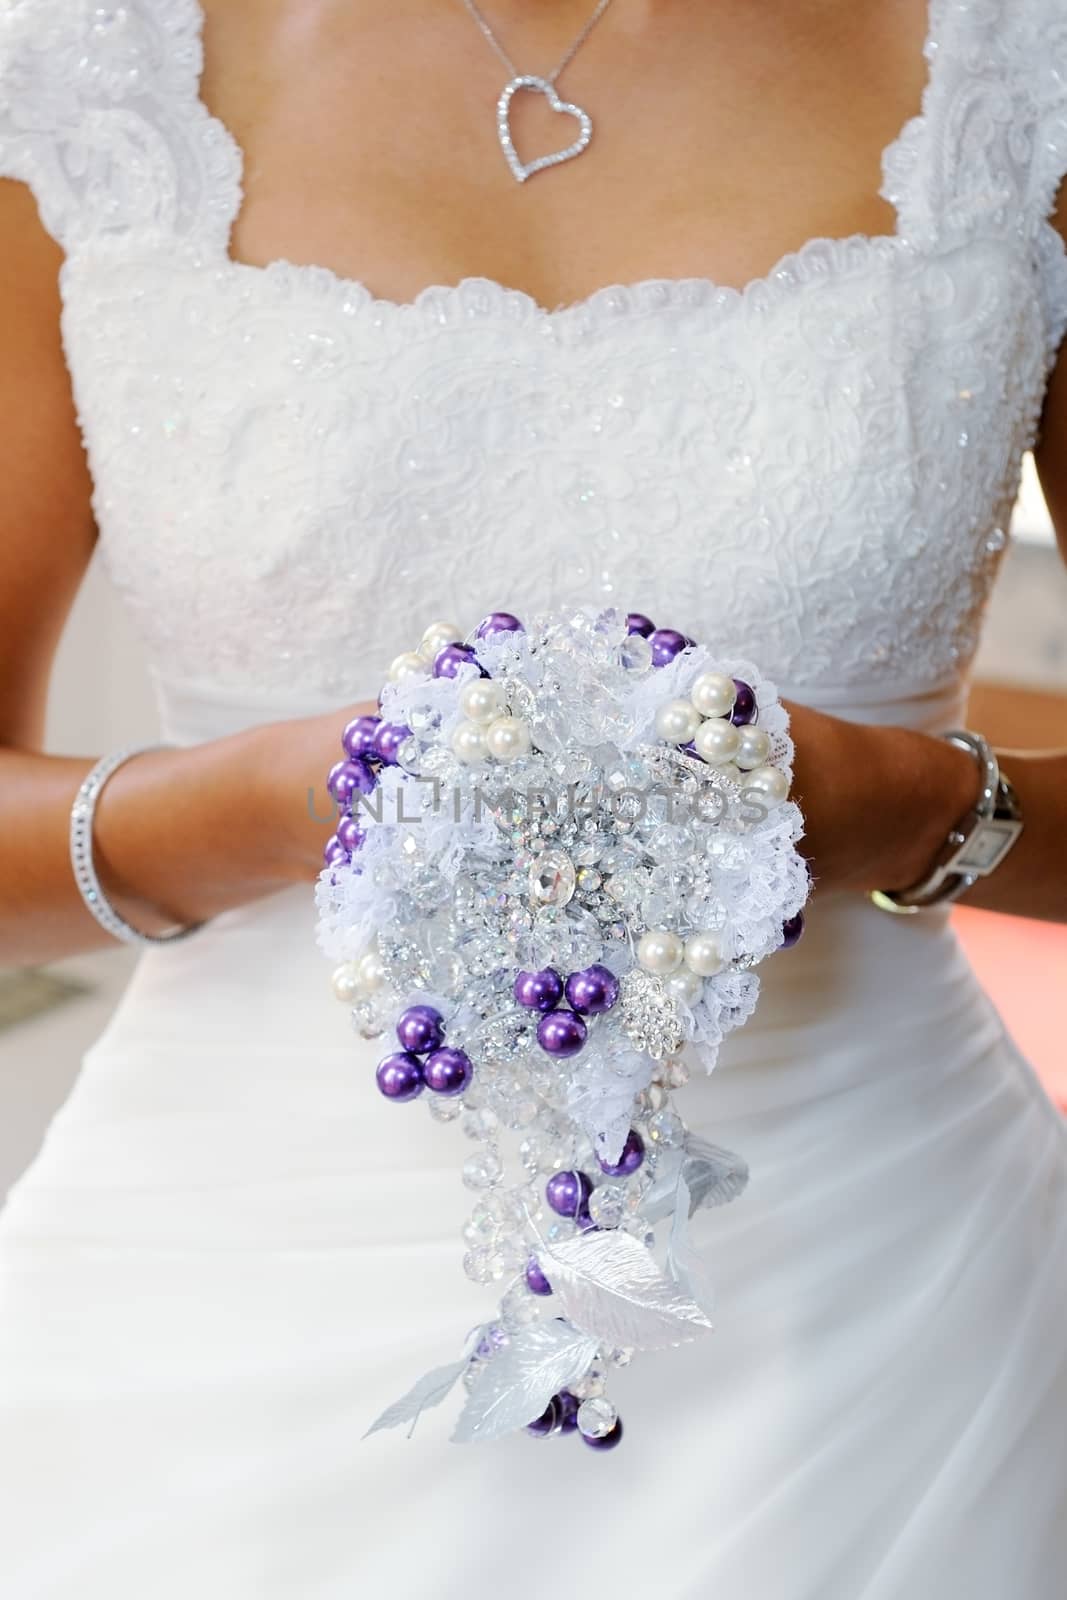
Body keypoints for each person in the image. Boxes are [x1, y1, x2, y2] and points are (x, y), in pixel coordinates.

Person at [1, 0, 1066, 1594]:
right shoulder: (80, 86)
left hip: (879, 1297)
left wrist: (906, 806)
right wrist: (295, 801)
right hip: (218, 1283)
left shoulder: (1020, 71)